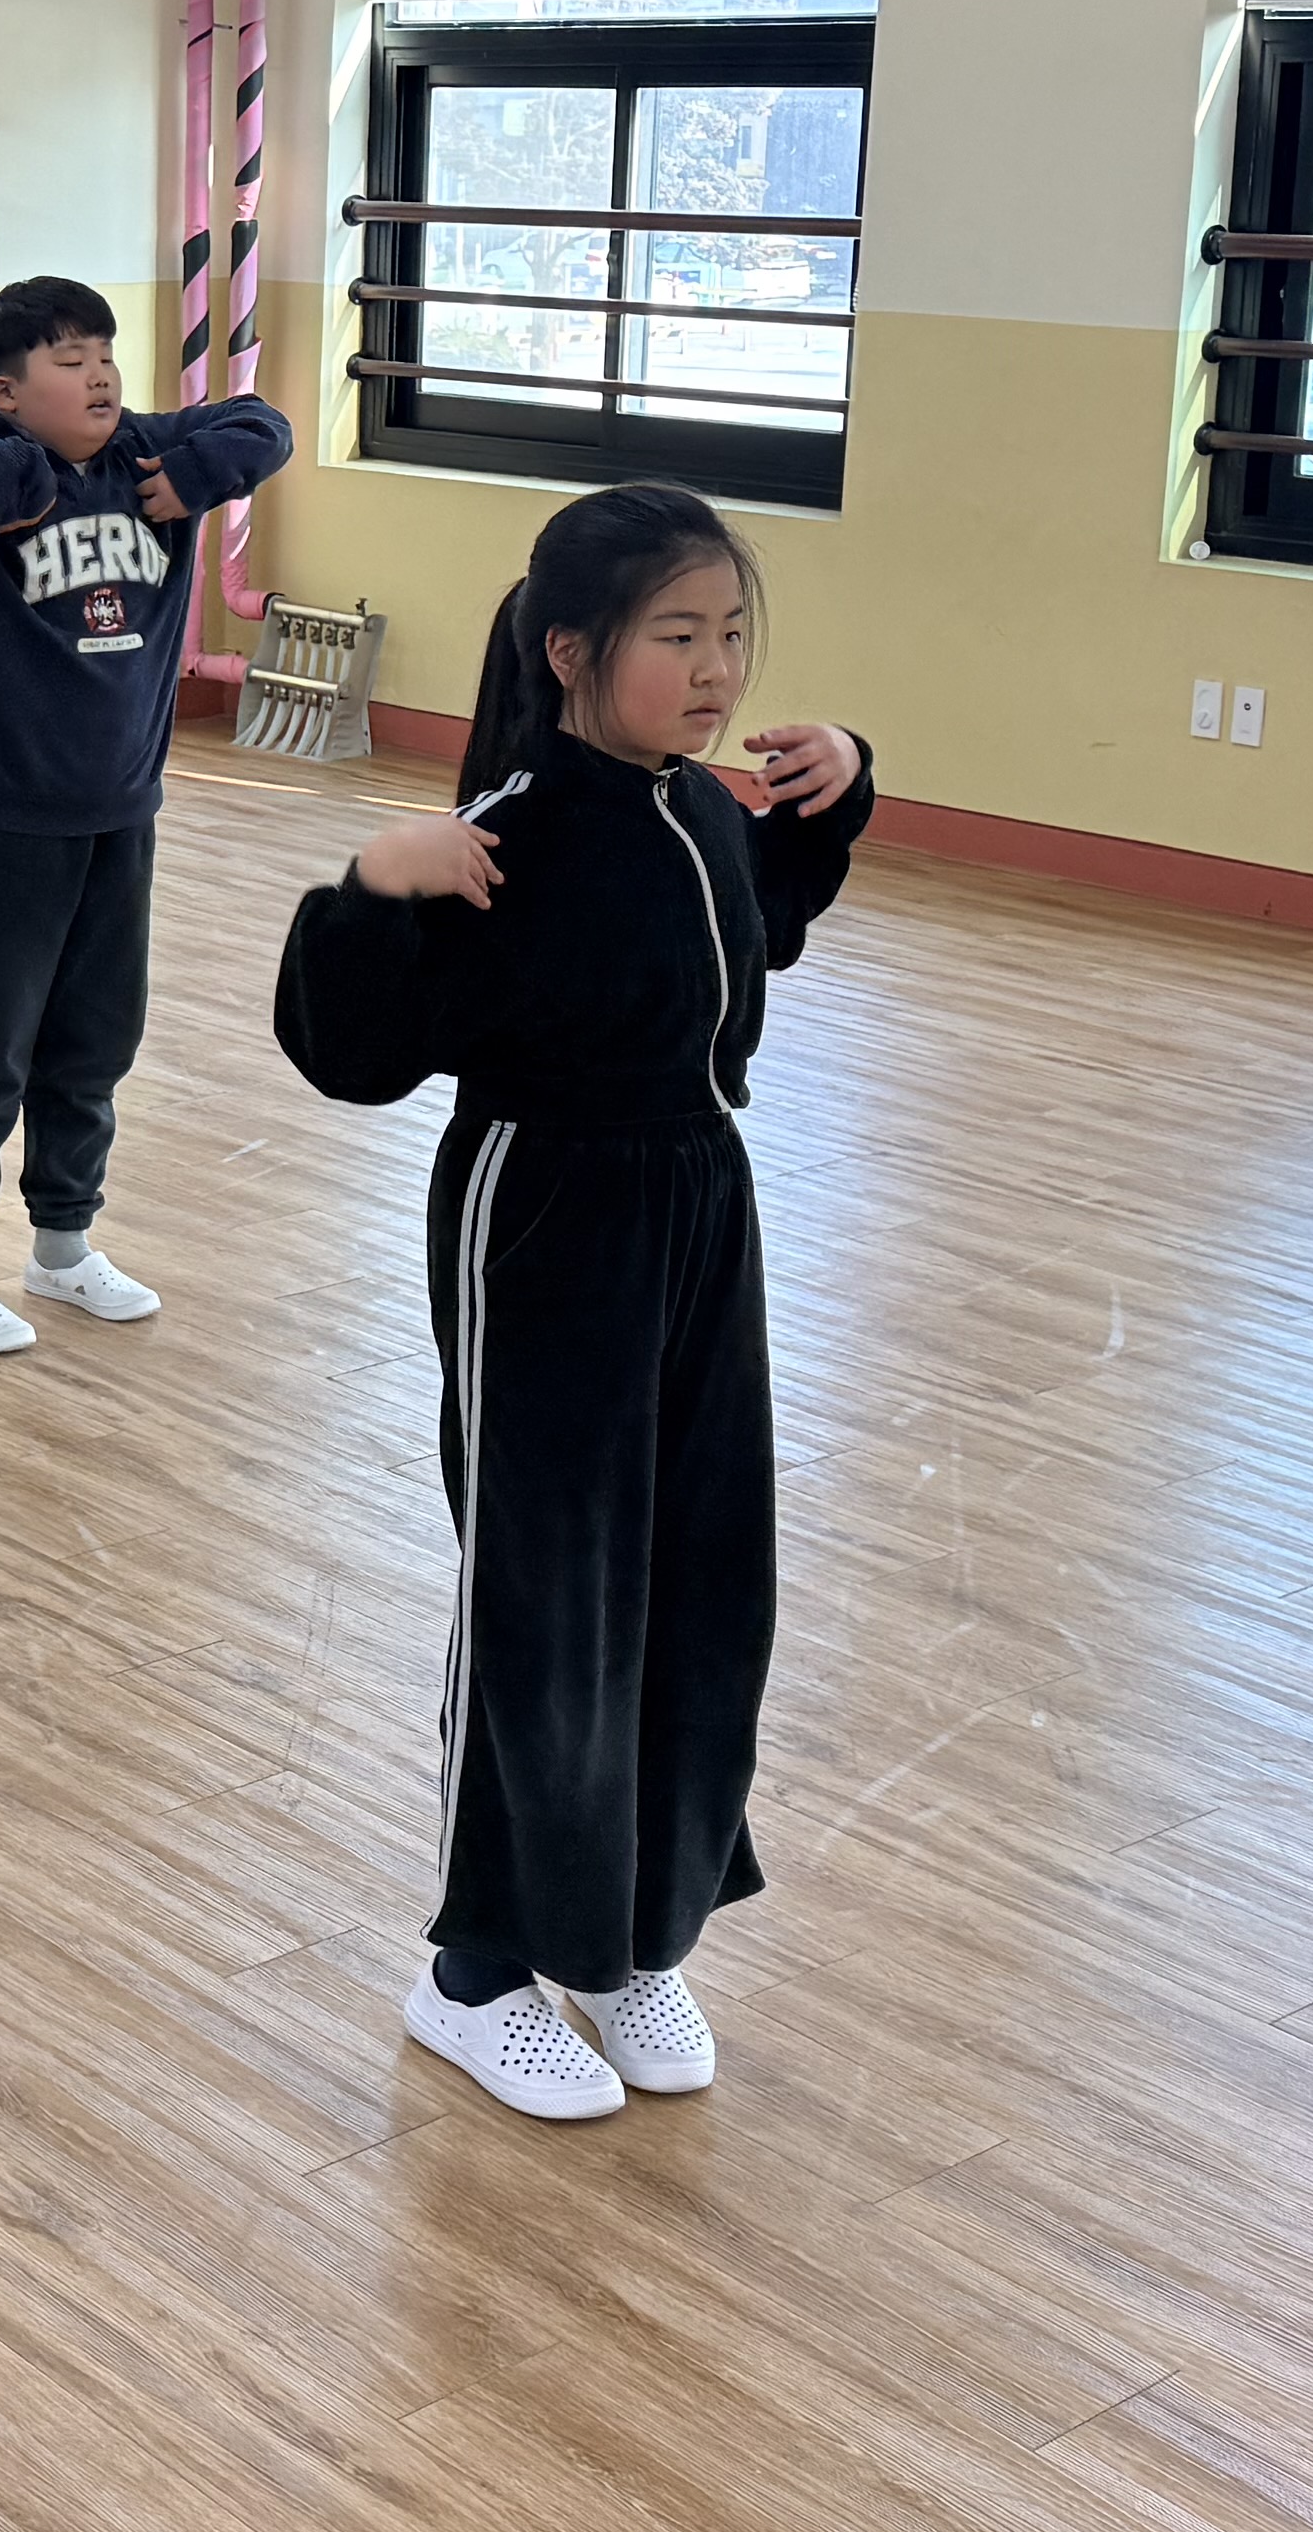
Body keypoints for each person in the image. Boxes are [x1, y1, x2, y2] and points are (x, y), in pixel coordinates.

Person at [272, 486, 870, 2125]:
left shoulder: (701, 814)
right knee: (552, 1596)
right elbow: (352, 1051)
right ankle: (474, 1971)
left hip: (700, 1211)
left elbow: (759, 930)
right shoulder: (507, 838)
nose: (716, 668)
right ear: (569, 650)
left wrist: (835, 794)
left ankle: (622, 1936)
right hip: (541, 1214)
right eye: (677, 635)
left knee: (699, 1580)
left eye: (731, 634)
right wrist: (369, 888)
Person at [0, 275, 293, 1355]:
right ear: (6, 392)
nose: (99, 374)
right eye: (68, 359)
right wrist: (11, 471)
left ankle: (62, 1246)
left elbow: (262, 423)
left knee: (95, 1041)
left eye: (104, 353)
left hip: (119, 812)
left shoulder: (148, 457)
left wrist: (200, 475)